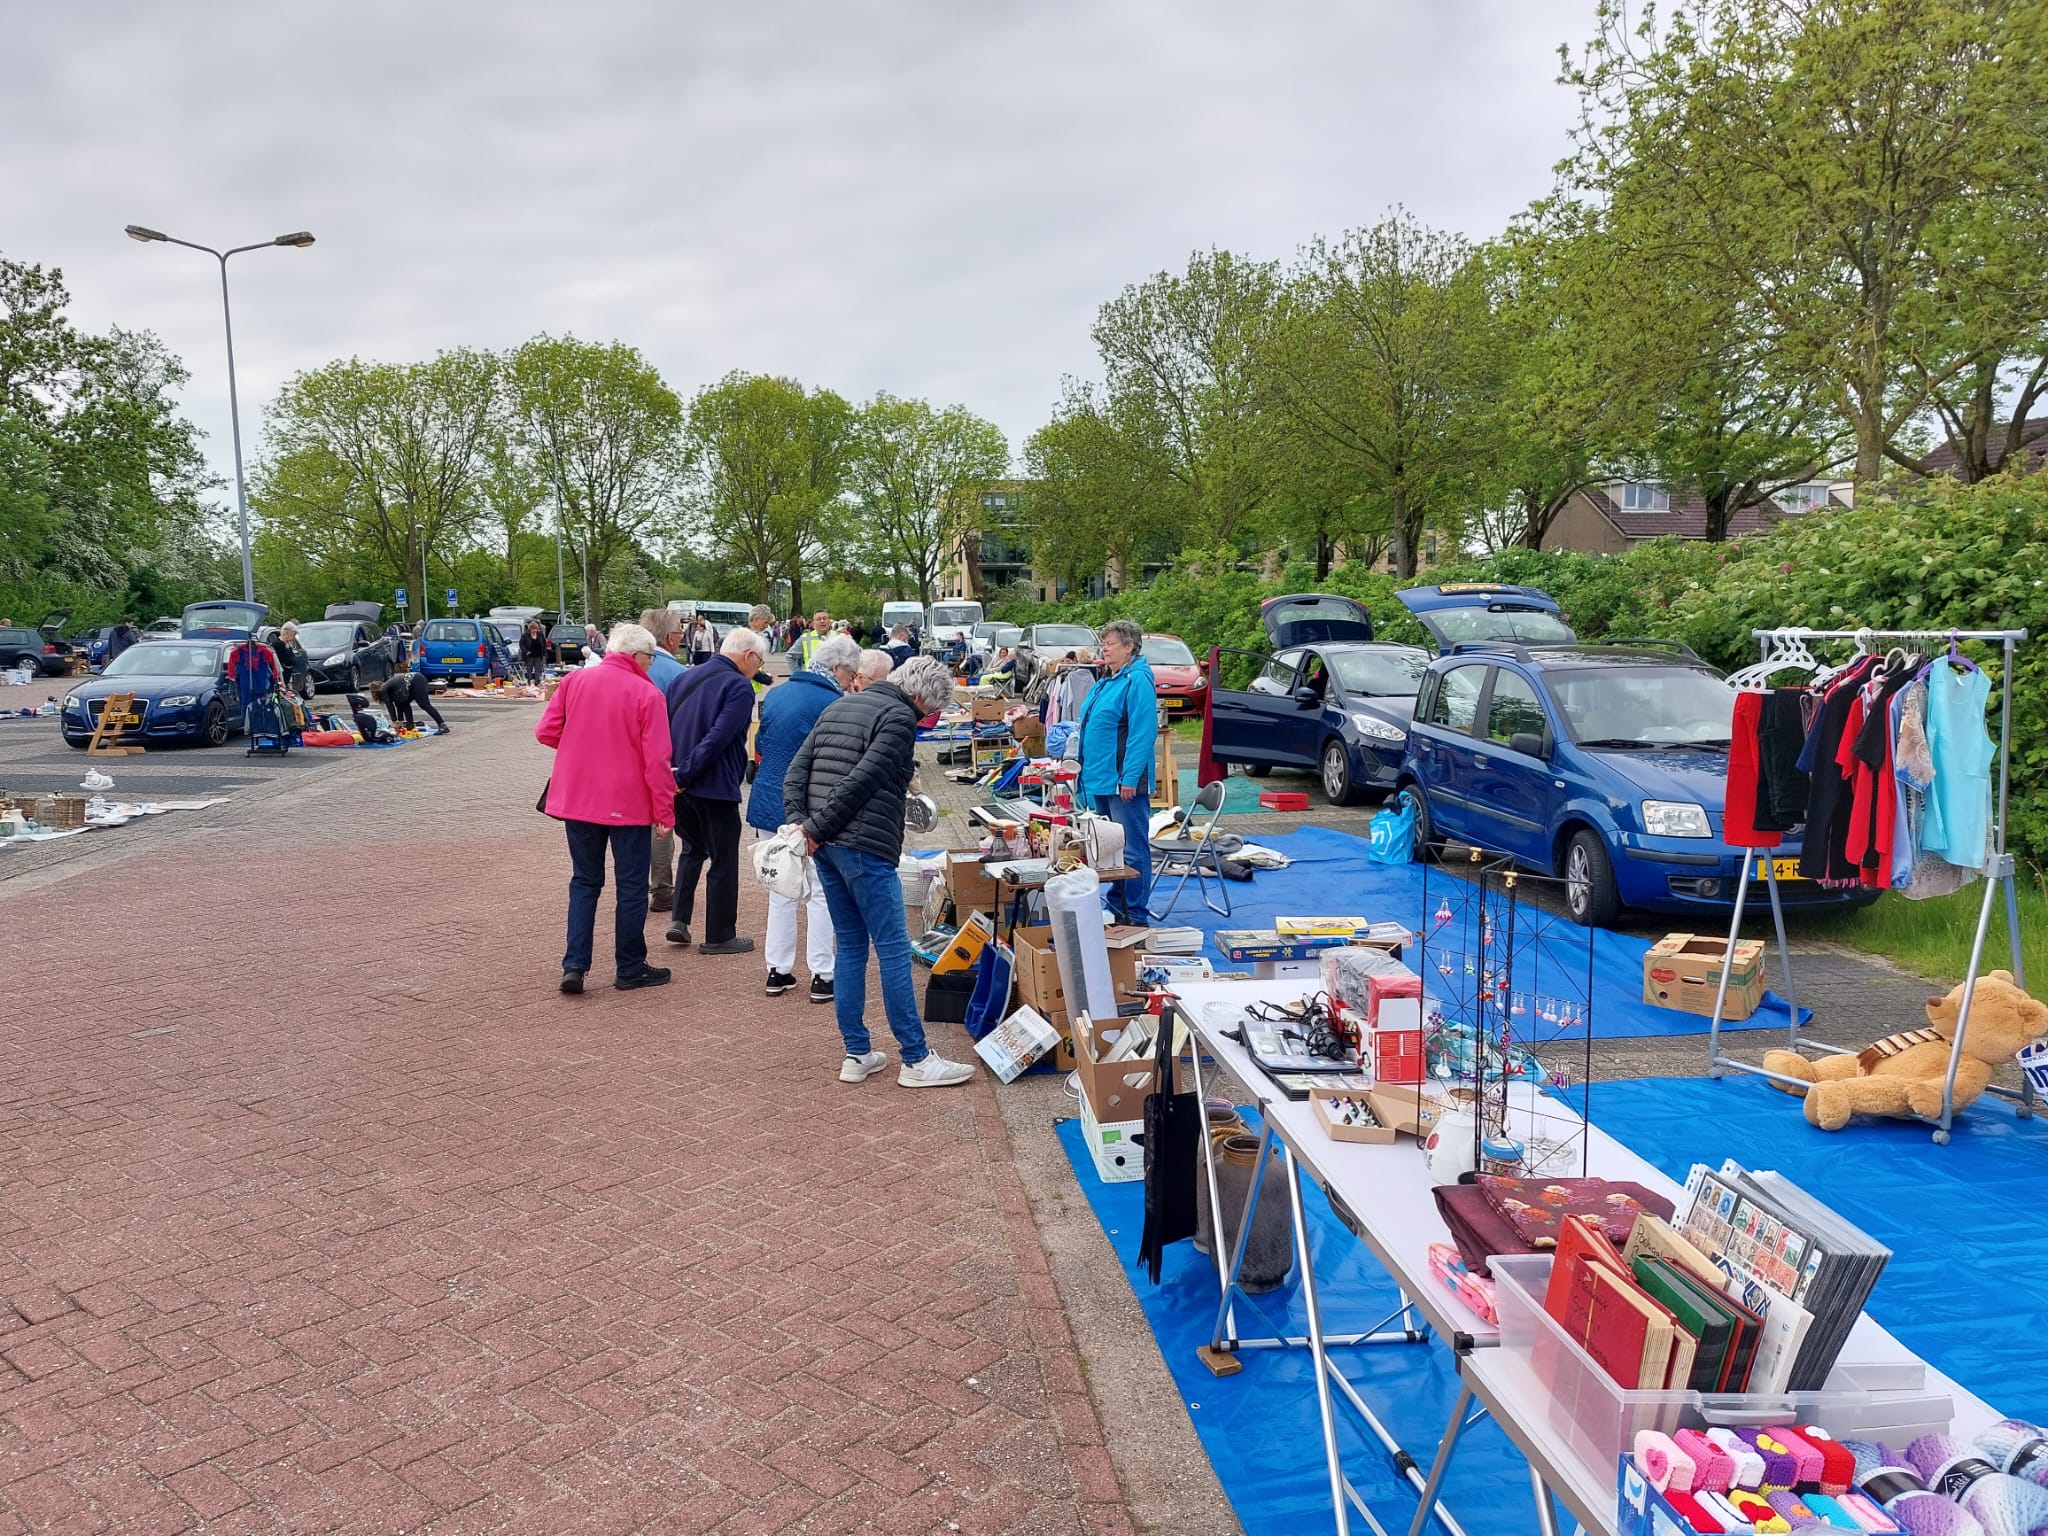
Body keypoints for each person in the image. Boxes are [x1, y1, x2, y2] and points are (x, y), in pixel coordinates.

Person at [784, 654, 975, 1089]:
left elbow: (796, 771)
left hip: (827, 846)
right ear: (923, 700)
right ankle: (916, 1058)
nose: (928, 718)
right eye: (931, 711)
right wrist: (813, 828)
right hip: (862, 844)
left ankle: (857, 1052)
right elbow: (863, 780)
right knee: (891, 949)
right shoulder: (898, 718)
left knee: (850, 946)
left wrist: (803, 826)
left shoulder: (840, 704)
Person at [534, 621, 677, 994]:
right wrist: (665, 813)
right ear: (634, 655)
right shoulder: (647, 695)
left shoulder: (575, 682)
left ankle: (575, 966)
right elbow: (658, 761)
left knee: (584, 881)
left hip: (577, 799)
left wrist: (583, 749)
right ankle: (629, 966)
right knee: (630, 886)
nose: (651, 665)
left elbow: (546, 732)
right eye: (649, 658)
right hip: (627, 803)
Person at [750, 632, 860, 1002]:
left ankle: (777, 971)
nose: (852, 681)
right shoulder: (833, 703)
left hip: (769, 801)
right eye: (851, 674)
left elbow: (761, 746)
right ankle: (823, 974)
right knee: (819, 891)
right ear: (837, 668)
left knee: (780, 887)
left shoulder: (776, 693)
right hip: (812, 807)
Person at [666, 626, 766, 953]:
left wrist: (676, 776)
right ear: (748, 655)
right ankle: (719, 934)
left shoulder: (684, 677)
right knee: (722, 859)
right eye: (759, 662)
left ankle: (679, 920)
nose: (758, 670)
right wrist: (689, 773)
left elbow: (666, 727)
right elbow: (719, 738)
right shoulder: (738, 686)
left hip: (679, 782)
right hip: (713, 785)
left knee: (692, 850)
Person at [1074, 618, 1156, 923]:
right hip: (1100, 778)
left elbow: (1142, 731)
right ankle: (1117, 906)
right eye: (1103, 644)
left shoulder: (1138, 680)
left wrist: (1131, 776)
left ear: (1129, 647)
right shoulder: (1108, 679)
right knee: (1107, 850)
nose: (1104, 649)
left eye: (1110, 644)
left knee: (1132, 850)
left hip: (1123, 781)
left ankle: (1134, 914)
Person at [640, 610, 689, 913]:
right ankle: (661, 888)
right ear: (671, 638)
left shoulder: (624, 665)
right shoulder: (677, 673)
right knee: (661, 821)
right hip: (663, 755)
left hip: (625, 757)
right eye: (681, 635)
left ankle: (632, 884)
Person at [379, 659, 450, 733]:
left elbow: (390, 706)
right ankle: (410, 725)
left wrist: (394, 721)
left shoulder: (383, 690)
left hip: (417, 681)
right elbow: (399, 705)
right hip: (415, 680)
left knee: (424, 704)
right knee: (404, 703)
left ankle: (442, 725)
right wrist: (400, 721)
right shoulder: (391, 689)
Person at [272, 622, 310, 697]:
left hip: (288, 674)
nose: (294, 637)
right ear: (287, 633)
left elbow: (292, 658)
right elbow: (286, 660)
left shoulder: (287, 644)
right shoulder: (278, 644)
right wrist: (291, 662)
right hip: (281, 674)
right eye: (293, 634)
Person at [519, 620, 549, 684]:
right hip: (529, 655)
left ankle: (537, 682)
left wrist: (544, 653)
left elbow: (543, 644)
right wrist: (526, 651)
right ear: (530, 629)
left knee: (538, 670)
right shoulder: (525, 635)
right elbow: (521, 644)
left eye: (536, 628)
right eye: (533, 629)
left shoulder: (540, 634)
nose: (535, 630)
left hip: (538, 655)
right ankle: (529, 682)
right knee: (529, 670)